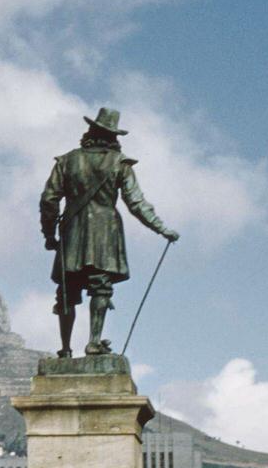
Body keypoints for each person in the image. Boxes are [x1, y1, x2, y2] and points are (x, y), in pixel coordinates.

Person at [40, 107, 178, 357]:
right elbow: (136, 202)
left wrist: (49, 234)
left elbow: (49, 200)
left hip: (73, 231)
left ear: (90, 131)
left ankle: (65, 348)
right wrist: (161, 228)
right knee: (100, 287)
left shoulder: (67, 161)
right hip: (105, 230)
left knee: (67, 290)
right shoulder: (120, 163)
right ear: (113, 137)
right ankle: (94, 341)